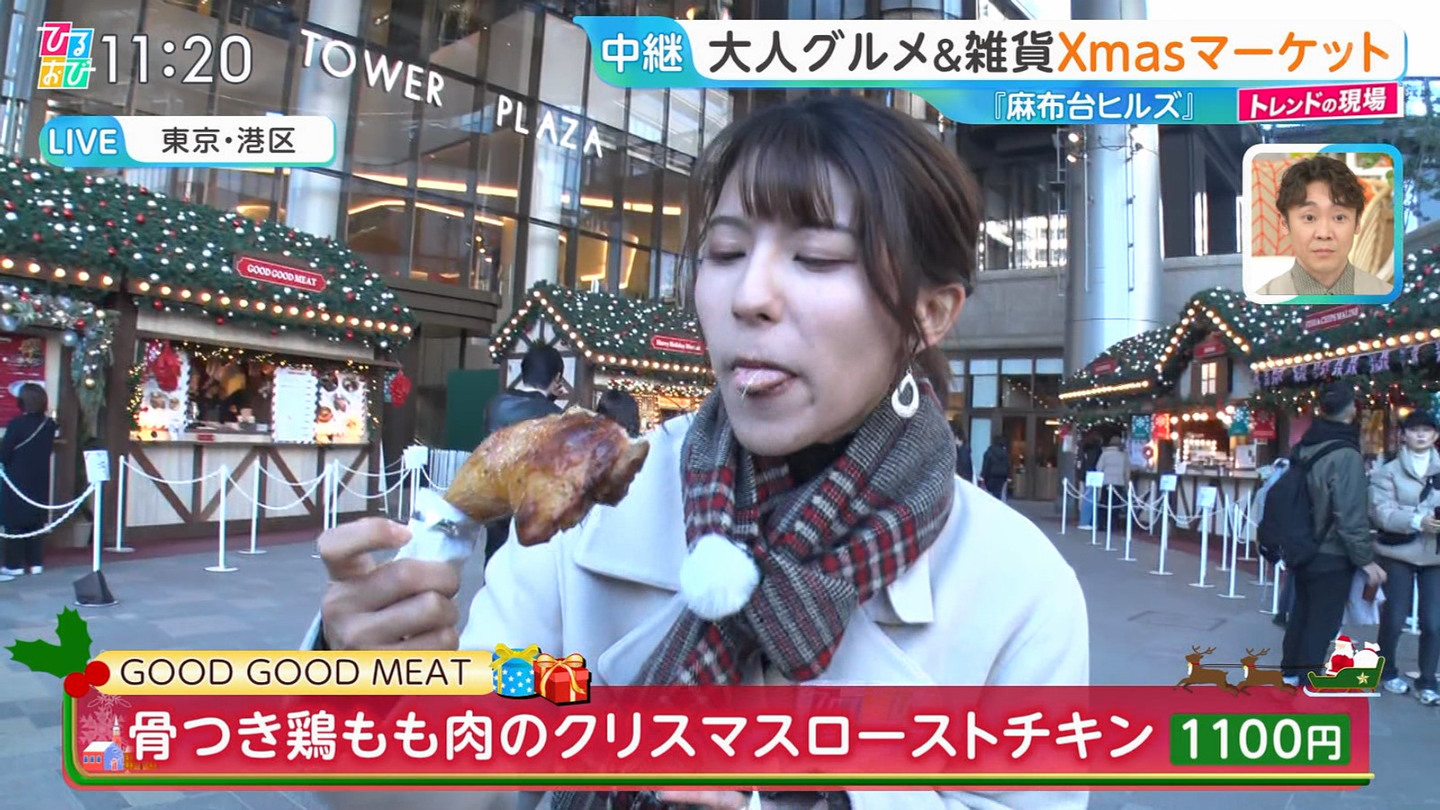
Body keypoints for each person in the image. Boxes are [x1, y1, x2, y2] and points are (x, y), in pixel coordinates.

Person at [311, 95, 1089, 810]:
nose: (749, 296)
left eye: (817, 258)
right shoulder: (590, 509)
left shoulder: (1016, 586)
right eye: (724, 252)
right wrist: (369, 696)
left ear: (930, 312)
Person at [1281, 382, 1387, 684]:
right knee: (1323, 621)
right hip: (1330, 550)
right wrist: (1365, 558)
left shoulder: (1305, 445)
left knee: (1301, 614)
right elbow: (1349, 513)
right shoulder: (1346, 454)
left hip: (1302, 544)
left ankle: (1289, 676)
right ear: (1351, 410)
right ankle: (1307, 685)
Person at [1367, 409, 1440, 704]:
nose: (1421, 435)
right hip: (1397, 551)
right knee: (1394, 618)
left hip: (1435, 555)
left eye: (1427, 430)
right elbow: (1381, 512)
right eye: (1414, 429)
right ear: (1404, 435)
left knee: (1433, 622)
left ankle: (1428, 680)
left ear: (1435, 435)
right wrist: (1417, 520)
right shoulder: (1388, 471)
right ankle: (1387, 671)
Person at [1256, 155, 1391, 297]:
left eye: (1339, 217)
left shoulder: (1387, 297)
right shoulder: (1261, 300)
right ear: (1284, 224)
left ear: (1357, 222)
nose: (1324, 233)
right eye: (1309, 217)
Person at [480, 344, 565, 562]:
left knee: (495, 561)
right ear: (557, 377)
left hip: (497, 504)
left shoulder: (495, 405)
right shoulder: (558, 417)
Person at [0, 383, 59, 576]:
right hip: (40, 478)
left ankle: (14, 564)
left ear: (22, 401)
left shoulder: (16, 424)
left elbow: (4, 453)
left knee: (14, 523)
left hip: (17, 478)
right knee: (36, 522)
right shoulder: (49, 425)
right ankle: (35, 563)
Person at [1095, 436, 1130, 528]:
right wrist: (1127, 484)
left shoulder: (1105, 454)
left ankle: (1101, 524)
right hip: (1119, 482)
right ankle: (1112, 524)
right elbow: (1126, 472)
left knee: (1104, 503)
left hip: (1106, 482)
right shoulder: (1123, 455)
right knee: (1115, 505)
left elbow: (1099, 468)